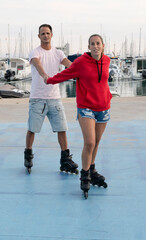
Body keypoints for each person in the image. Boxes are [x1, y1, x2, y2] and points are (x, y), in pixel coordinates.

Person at [45, 34, 111, 198]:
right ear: (88, 47)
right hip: (86, 106)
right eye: (92, 44)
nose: (95, 46)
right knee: (89, 142)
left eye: (98, 43)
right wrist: (49, 80)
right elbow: (66, 74)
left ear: (103, 45)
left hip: (103, 106)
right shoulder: (81, 62)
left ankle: (92, 169)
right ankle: (85, 174)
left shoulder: (107, 61)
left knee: (96, 142)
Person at [24, 24, 79, 175]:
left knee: (62, 128)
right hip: (38, 98)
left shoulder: (58, 53)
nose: (45, 36)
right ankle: (28, 154)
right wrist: (44, 76)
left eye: (48, 33)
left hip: (54, 97)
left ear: (52, 35)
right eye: (42, 33)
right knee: (32, 128)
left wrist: (79, 70)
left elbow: (69, 65)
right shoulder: (35, 52)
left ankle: (65, 159)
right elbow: (37, 64)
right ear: (39, 36)